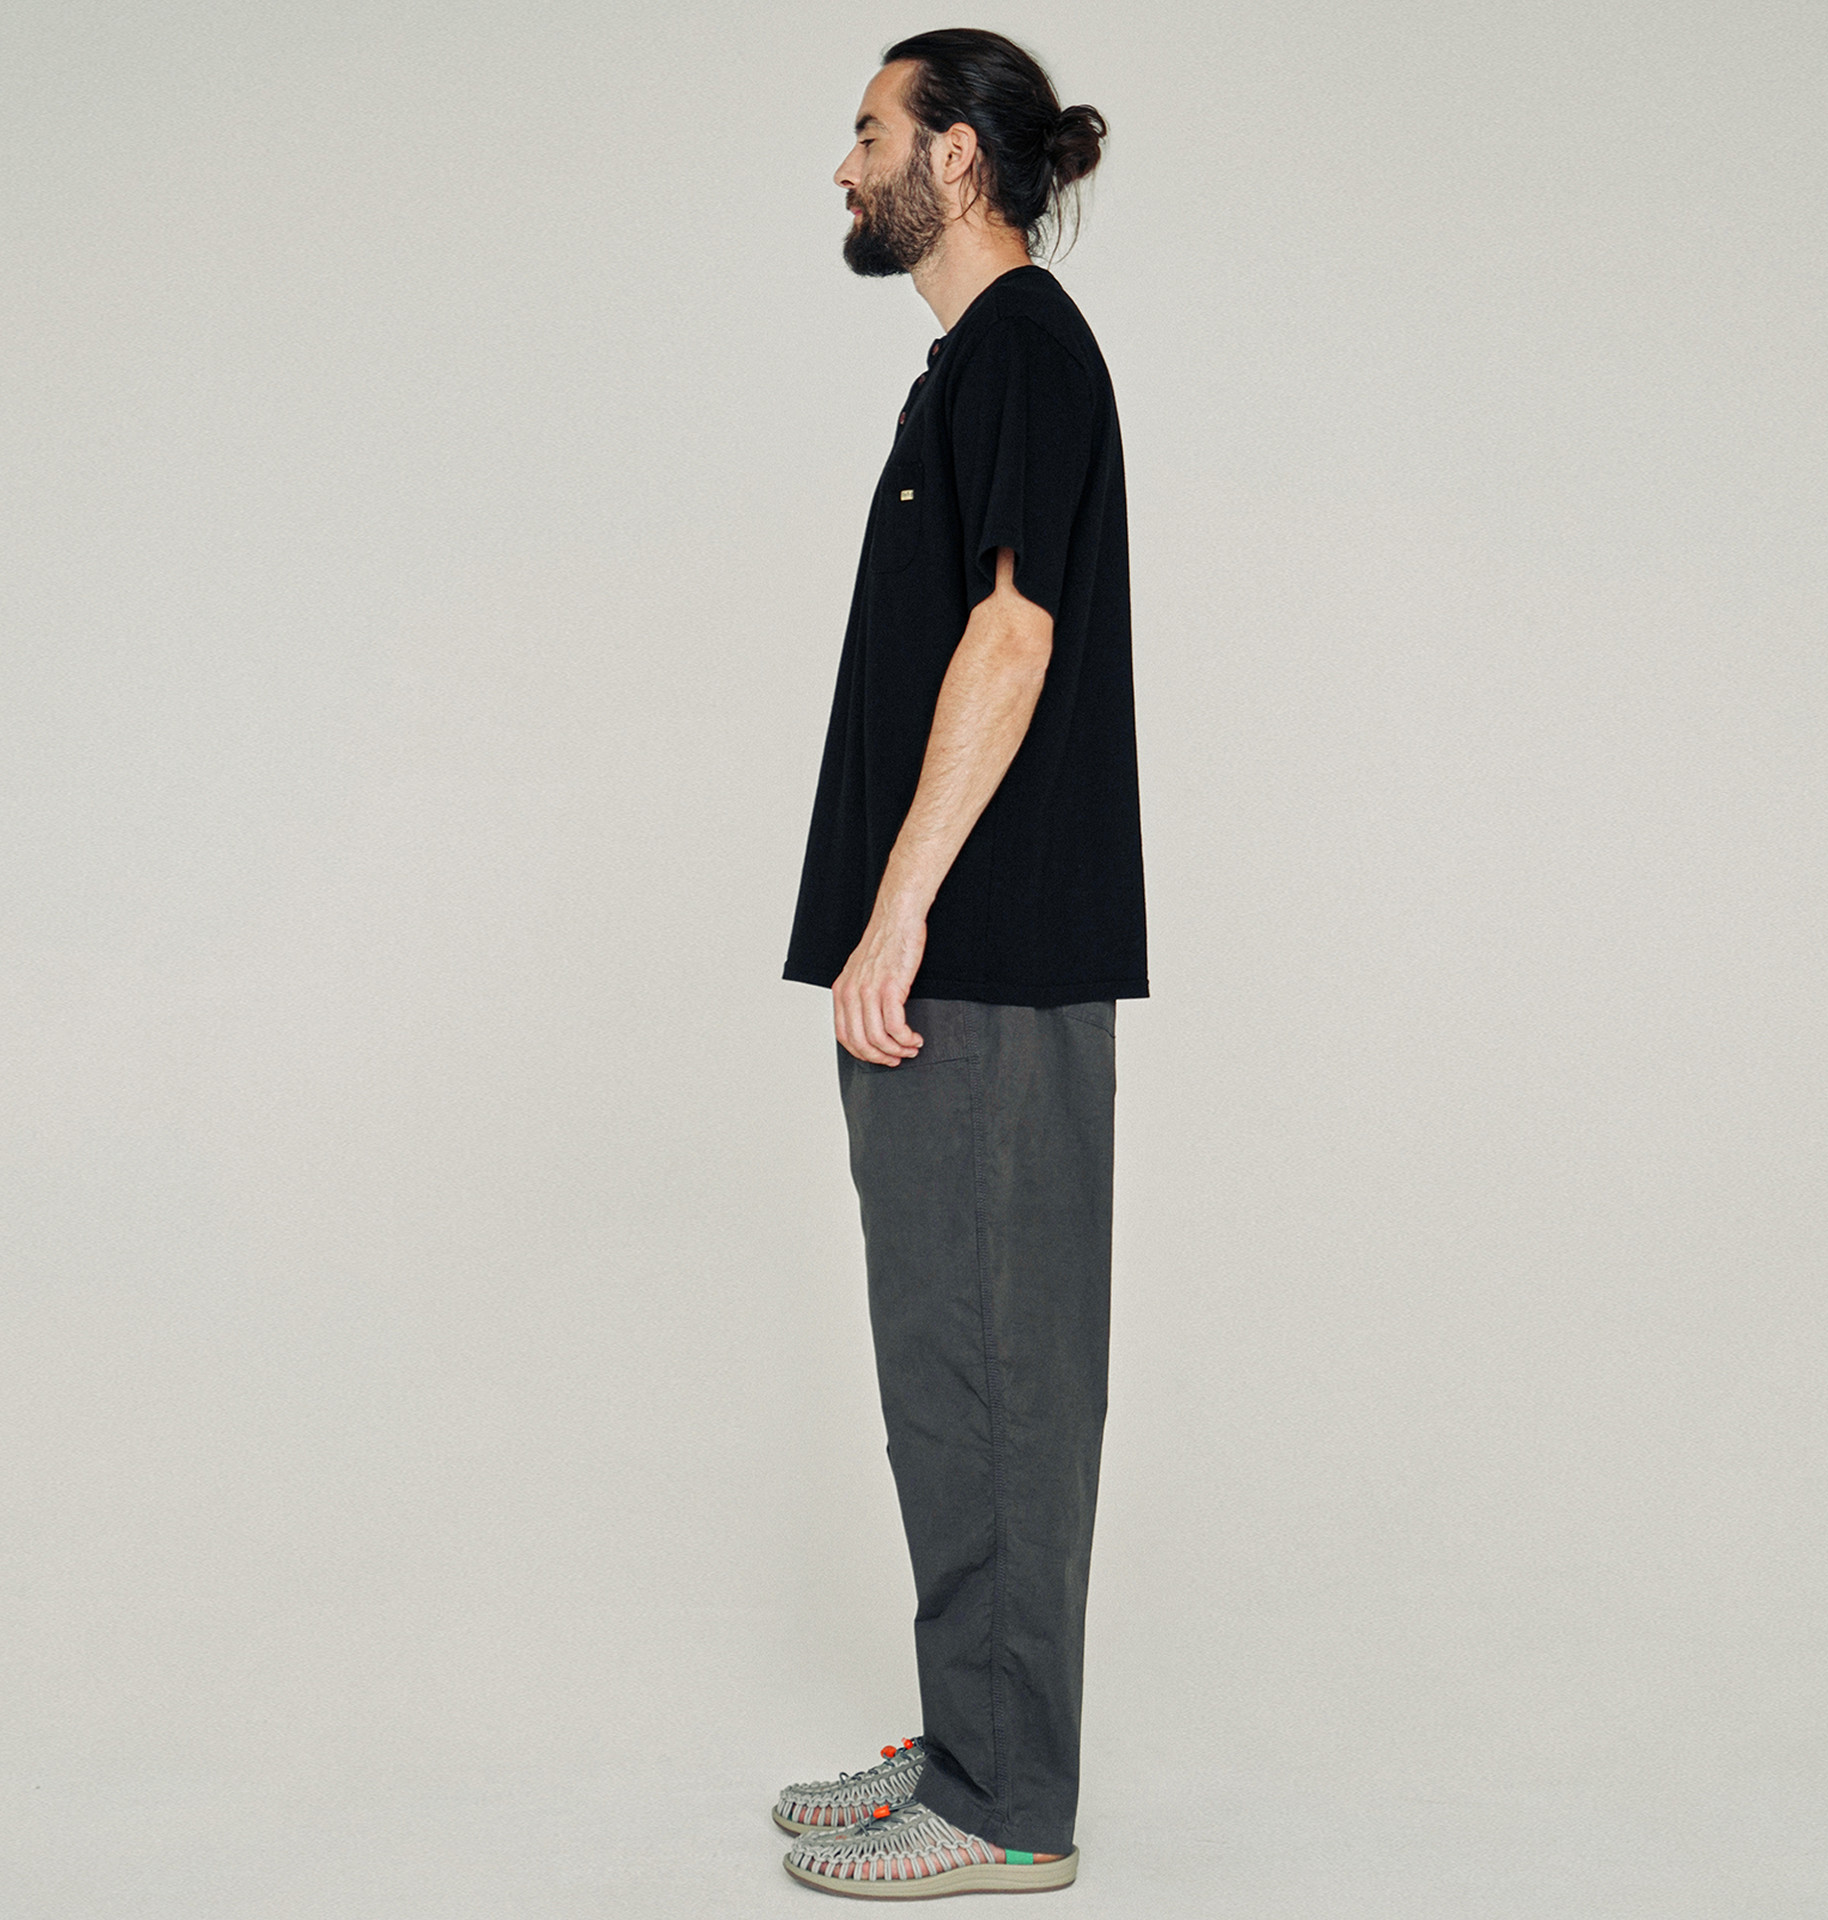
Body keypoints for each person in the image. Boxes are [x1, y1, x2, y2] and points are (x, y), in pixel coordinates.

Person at [775, 27, 1148, 1899]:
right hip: (946, 967)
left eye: (868, 131)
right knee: (950, 1371)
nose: (841, 165)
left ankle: (1007, 1810)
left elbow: (1013, 640)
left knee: (998, 1373)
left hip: (982, 966)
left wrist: (902, 905)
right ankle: (966, 1744)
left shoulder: (1023, 351)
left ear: (959, 161)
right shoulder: (971, 368)